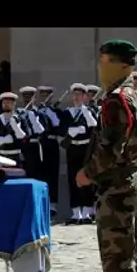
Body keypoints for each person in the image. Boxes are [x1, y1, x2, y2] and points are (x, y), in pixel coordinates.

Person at [76, 39, 137, 272]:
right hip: (133, 181)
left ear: (119, 64)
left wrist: (87, 173)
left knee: (117, 260)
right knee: (130, 256)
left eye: (104, 61)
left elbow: (111, 146)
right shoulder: (135, 95)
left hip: (118, 187)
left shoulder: (117, 98)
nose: (100, 67)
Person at [60, 83, 98, 224]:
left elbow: (95, 126)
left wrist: (86, 113)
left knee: (87, 178)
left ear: (84, 96)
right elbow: (60, 128)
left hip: (86, 149)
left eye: (80, 95)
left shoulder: (89, 111)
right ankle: (76, 212)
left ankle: (87, 212)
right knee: (72, 179)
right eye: (75, 95)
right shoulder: (67, 113)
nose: (77, 97)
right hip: (73, 149)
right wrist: (70, 131)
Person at [36, 85, 62, 216]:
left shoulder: (56, 111)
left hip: (51, 144)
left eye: (47, 95)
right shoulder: (36, 110)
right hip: (39, 144)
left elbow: (60, 128)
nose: (44, 98)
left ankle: (53, 205)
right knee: (40, 174)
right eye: (42, 95)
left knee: (52, 175)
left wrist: (51, 114)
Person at [0, 92, 27, 165]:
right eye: (4, 102)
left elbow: (25, 138)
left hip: (16, 156)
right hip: (1, 156)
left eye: (8, 102)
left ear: (14, 103)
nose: (6, 104)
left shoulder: (20, 119)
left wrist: (16, 130)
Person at [16, 86, 45, 179]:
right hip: (23, 146)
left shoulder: (39, 113)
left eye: (29, 97)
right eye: (25, 97)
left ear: (34, 98)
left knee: (36, 172)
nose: (27, 99)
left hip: (35, 145)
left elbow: (42, 130)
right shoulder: (18, 113)